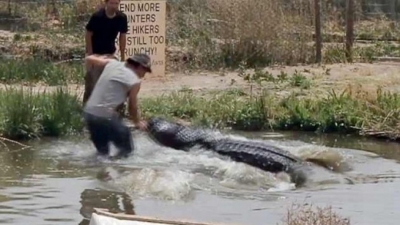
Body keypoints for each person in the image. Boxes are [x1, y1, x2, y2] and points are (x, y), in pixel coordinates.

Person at [82, 53, 151, 158]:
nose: (144, 75)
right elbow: (132, 107)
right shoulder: (134, 81)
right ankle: (122, 172)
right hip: (105, 116)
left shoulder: (112, 63)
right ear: (140, 66)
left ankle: (101, 173)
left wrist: (100, 61)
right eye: (145, 71)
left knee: (102, 154)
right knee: (126, 150)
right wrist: (137, 122)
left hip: (89, 113)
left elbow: (89, 59)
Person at [83, 0, 128, 115]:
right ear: (106, 3)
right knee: (93, 83)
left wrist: (123, 58)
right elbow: (88, 34)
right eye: (111, 3)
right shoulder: (97, 16)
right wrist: (90, 54)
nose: (114, 6)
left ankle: (118, 110)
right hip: (96, 54)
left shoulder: (121, 18)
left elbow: (122, 37)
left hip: (110, 55)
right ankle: (88, 111)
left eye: (116, 3)